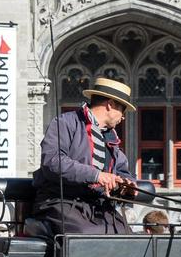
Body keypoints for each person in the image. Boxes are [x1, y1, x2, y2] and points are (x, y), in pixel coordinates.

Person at [33, 76, 138, 235]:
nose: (123, 117)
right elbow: (52, 162)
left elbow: (122, 171)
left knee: (129, 236)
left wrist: (127, 185)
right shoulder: (65, 123)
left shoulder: (111, 139)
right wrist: (96, 175)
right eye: (122, 110)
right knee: (91, 235)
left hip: (98, 207)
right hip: (60, 203)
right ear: (110, 105)